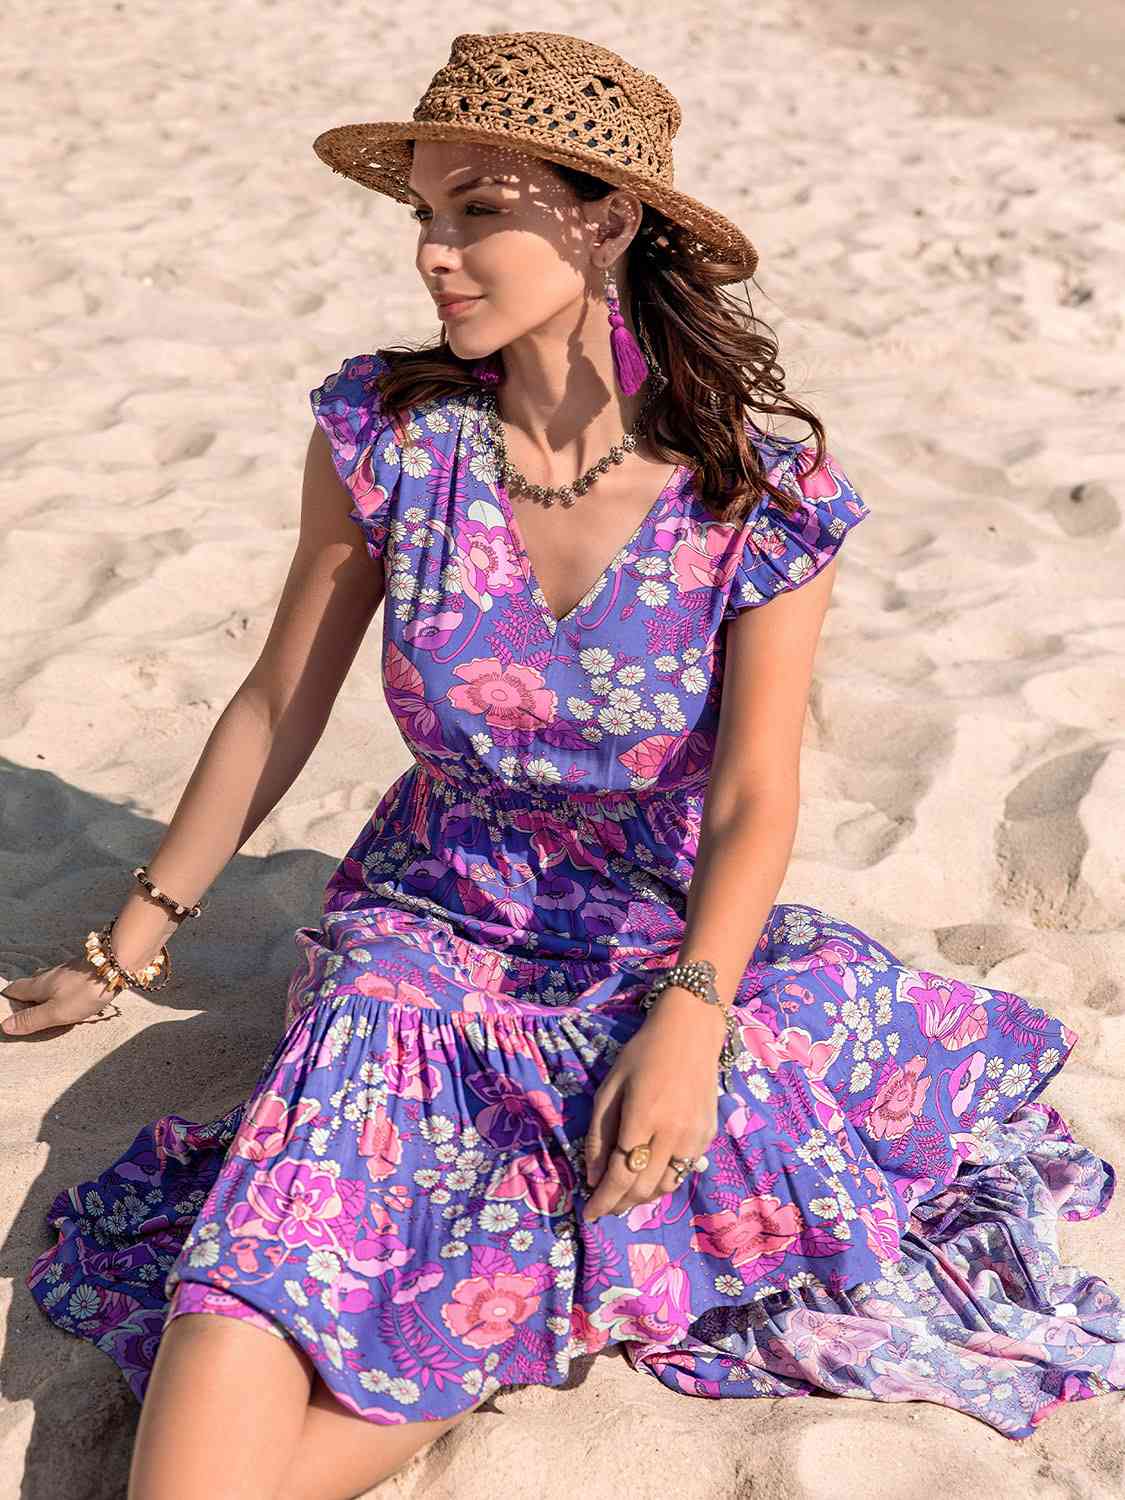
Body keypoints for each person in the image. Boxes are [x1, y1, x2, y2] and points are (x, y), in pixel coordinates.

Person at [9, 29, 1124, 1500]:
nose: (433, 251)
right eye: (423, 211)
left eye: (477, 208)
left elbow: (754, 795)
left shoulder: (756, 492)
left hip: (652, 951)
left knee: (566, 1207)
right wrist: (128, 941)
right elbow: (278, 700)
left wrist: (692, 1019)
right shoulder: (390, 437)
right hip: (420, 937)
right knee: (257, 1283)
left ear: (606, 219)